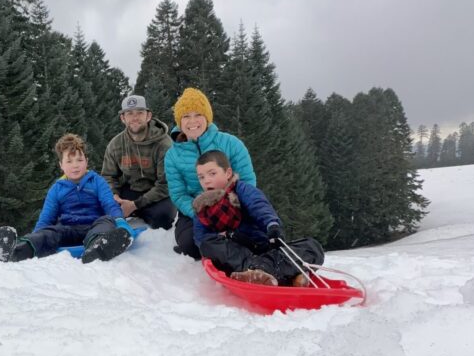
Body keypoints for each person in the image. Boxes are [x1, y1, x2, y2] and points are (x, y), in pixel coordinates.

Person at [0, 133, 134, 266]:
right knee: (49, 232)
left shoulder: (97, 181)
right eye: (69, 161)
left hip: (94, 226)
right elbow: (46, 218)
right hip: (66, 230)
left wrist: (121, 223)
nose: (75, 165)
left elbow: (110, 205)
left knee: (107, 220)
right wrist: (37, 237)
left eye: (79, 160)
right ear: (61, 165)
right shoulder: (57, 189)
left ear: (86, 161)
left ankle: (99, 248)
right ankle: (15, 252)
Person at [192, 149, 324, 285]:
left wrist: (272, 224)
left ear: (228, 173)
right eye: (201, 177)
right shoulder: (202, 207)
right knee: (208, 245)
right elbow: (201, 238)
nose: (206, 181)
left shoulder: (241, 189)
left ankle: (260, 272)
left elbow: (259, 206)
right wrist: (225, 237)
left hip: (264, 247)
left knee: (312, 246)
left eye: (212, 174)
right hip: (237, 254)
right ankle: (285, 275)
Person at [165, 87, 256, 259]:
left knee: (252, 236)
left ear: (207, 116)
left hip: (234, 207)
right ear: (179, 121)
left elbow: (247, 181)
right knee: (189, 244)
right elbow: (178, 193)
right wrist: (202, 213)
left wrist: (231, 210)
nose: (192, 121)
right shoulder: (172, 155)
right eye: (186, 116)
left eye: (198, 114)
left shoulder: (231, 143)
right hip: (196, 210)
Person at [100, 94, 176, 230]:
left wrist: (135, 205)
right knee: (102, 209)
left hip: (157, 193)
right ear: (123, 118)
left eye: (140, 113)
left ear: (148, 116)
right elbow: (108, 176)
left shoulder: (164, 144)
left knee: (163, 219)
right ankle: (132, 213)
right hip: (130, 190)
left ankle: (137, 212)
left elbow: (165, 184)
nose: (135, 118)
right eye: (129, 113)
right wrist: (114, 196)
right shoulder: (115, 144)